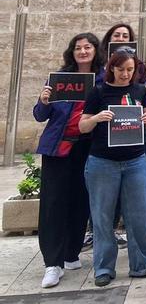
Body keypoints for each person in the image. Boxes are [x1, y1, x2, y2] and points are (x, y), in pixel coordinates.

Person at [79, 50, 146, 287]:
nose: (125, 75)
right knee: (102, 216)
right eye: (121, 70)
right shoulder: (98, 92)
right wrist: (97, 118)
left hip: (136, 161)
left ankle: (142, 265)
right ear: (112, 69)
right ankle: (104, 268)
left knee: (138, 215)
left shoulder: (139, 91)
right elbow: (82, 126)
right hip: (102, 162)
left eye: (130, 70)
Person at [34, 33, 104, 288]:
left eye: (88, 47)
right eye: (78, 48)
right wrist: (43, 101)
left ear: (96, 51)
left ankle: (72, 253)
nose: (83, 52)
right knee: (53, 204)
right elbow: (40, 115)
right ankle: (52, 263)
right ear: (72, 52)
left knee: (81, 200)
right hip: (59, 148)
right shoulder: (59, 78)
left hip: (90, 147)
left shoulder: (103, 79)